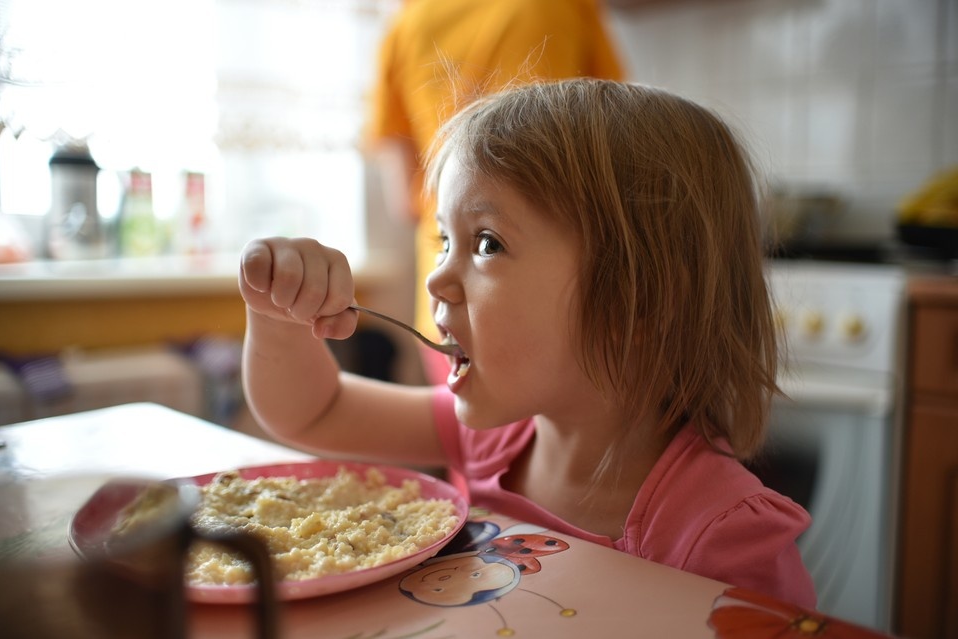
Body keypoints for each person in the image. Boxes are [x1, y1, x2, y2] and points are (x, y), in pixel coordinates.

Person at [239, 78, 817, 607]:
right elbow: (317, 411)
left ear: (635, 302)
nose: (436, 278)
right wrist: (276, 318)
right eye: (445, 239)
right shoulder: (491, 438)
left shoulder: (723, 538)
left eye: (487, 243)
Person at [365, 0, 625, 384]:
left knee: (466, 441)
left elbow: (405, 199)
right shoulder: (568, 5)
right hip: (558, 289)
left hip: (441, 286)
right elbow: (619, 136)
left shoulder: (406, 23)